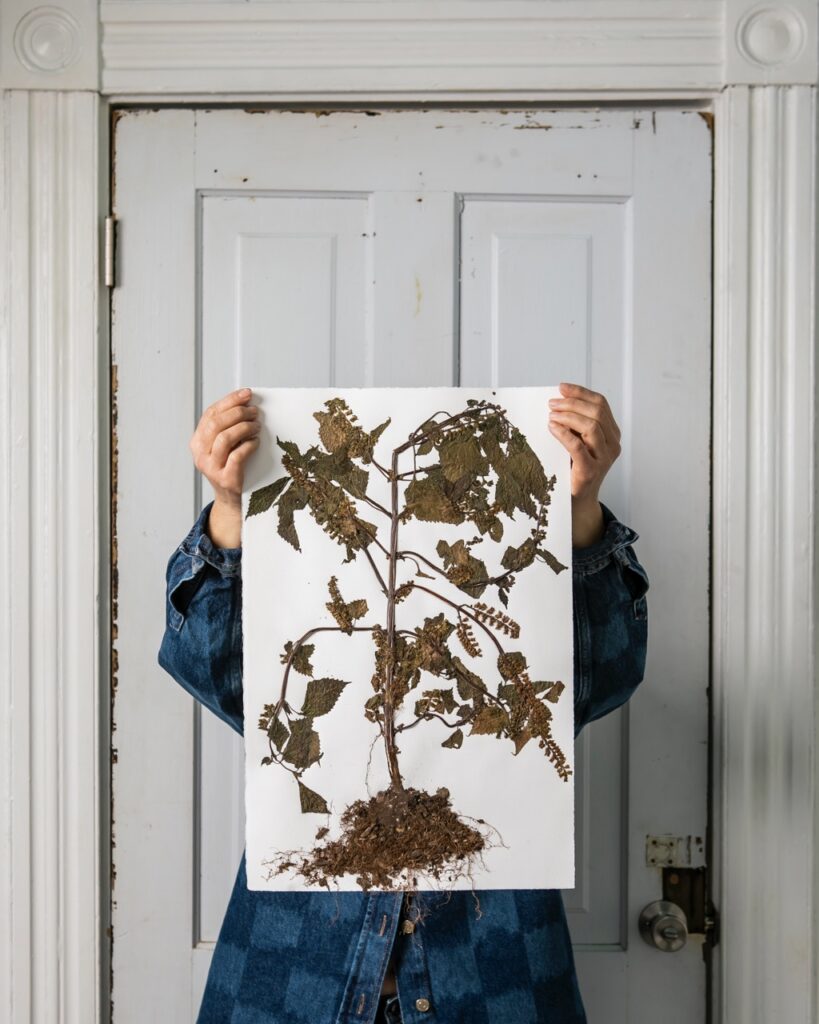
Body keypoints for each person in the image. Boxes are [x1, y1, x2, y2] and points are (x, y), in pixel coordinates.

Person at [158, 381, 649, 1024]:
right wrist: (230, 507)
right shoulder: (313, 615)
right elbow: (213, 673)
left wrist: (579, 514)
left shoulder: (498, 600)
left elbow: (604, 676)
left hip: (496, 980)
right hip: (293, 978)